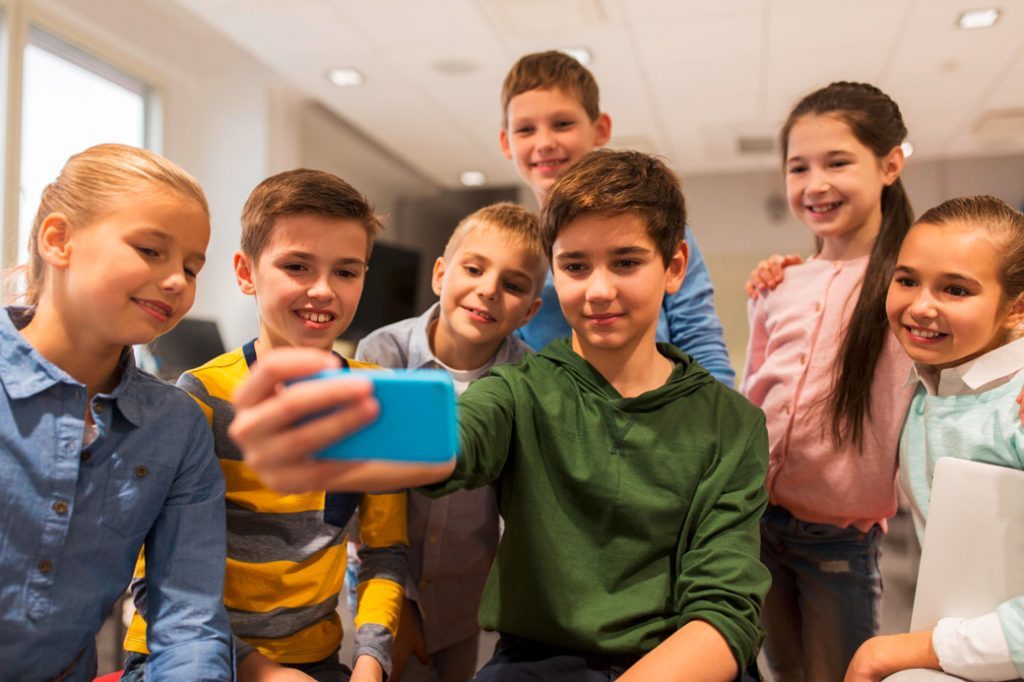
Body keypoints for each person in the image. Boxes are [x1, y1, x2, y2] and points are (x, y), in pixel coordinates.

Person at [229, 149, 770, 682]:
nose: (599, 290)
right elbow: (457, 441)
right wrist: (332, 431)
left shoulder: (732, 424)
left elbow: (723, 611)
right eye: (576, 266)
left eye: (625, 262)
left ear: (673, 266)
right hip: (537, 662)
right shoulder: (519, 387)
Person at [122, 169, 407, 682]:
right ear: (246, 272)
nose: (323, 290)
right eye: (297, 266)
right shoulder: (202, 398)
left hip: (313, 659)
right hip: (187, 651)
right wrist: (259, 672)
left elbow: (385, 554)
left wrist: (371, 662)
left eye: (347, 272)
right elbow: (157, 576)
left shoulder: (376, 397)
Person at [0, 143, 232, 679]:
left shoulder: (176, 427)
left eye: (192, 268)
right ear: (59, 240)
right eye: (151, 250)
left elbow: (188, 619)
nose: (177, 280)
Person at [741, 82, 919, 681]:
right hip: (760, 522)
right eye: (798, 168)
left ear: (890, 163)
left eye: (837, 162)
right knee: (781, 672)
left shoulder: (909, 285)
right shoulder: (780, 284)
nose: (815, 184)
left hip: (839, 540)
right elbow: (754, 391)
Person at [355, 202, 545, 681]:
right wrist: (402, 608)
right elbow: (370, 494)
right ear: (441, 273)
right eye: (475, 268)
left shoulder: (531, 379)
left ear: (530, 309)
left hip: (468, 604)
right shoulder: (382, 355)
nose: (489, 289)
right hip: (384, 592)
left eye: (514, 284)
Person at [845, 196, 1024, 682]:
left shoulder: (1015, 406)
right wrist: (783, 277)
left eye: (956, 290)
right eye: (907, 280)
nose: (921, 306)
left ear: (1016, 308)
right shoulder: (927, 376)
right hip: (972, 637)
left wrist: (928, 649)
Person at [499, 50, 735, 386]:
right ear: (506, 142)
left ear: (600, 129)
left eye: (562, 124)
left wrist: (718, 420)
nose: (545, 143)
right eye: (526, 129)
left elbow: (698, 334)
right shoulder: (515, 249)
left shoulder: (655, 225)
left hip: (657, 415)